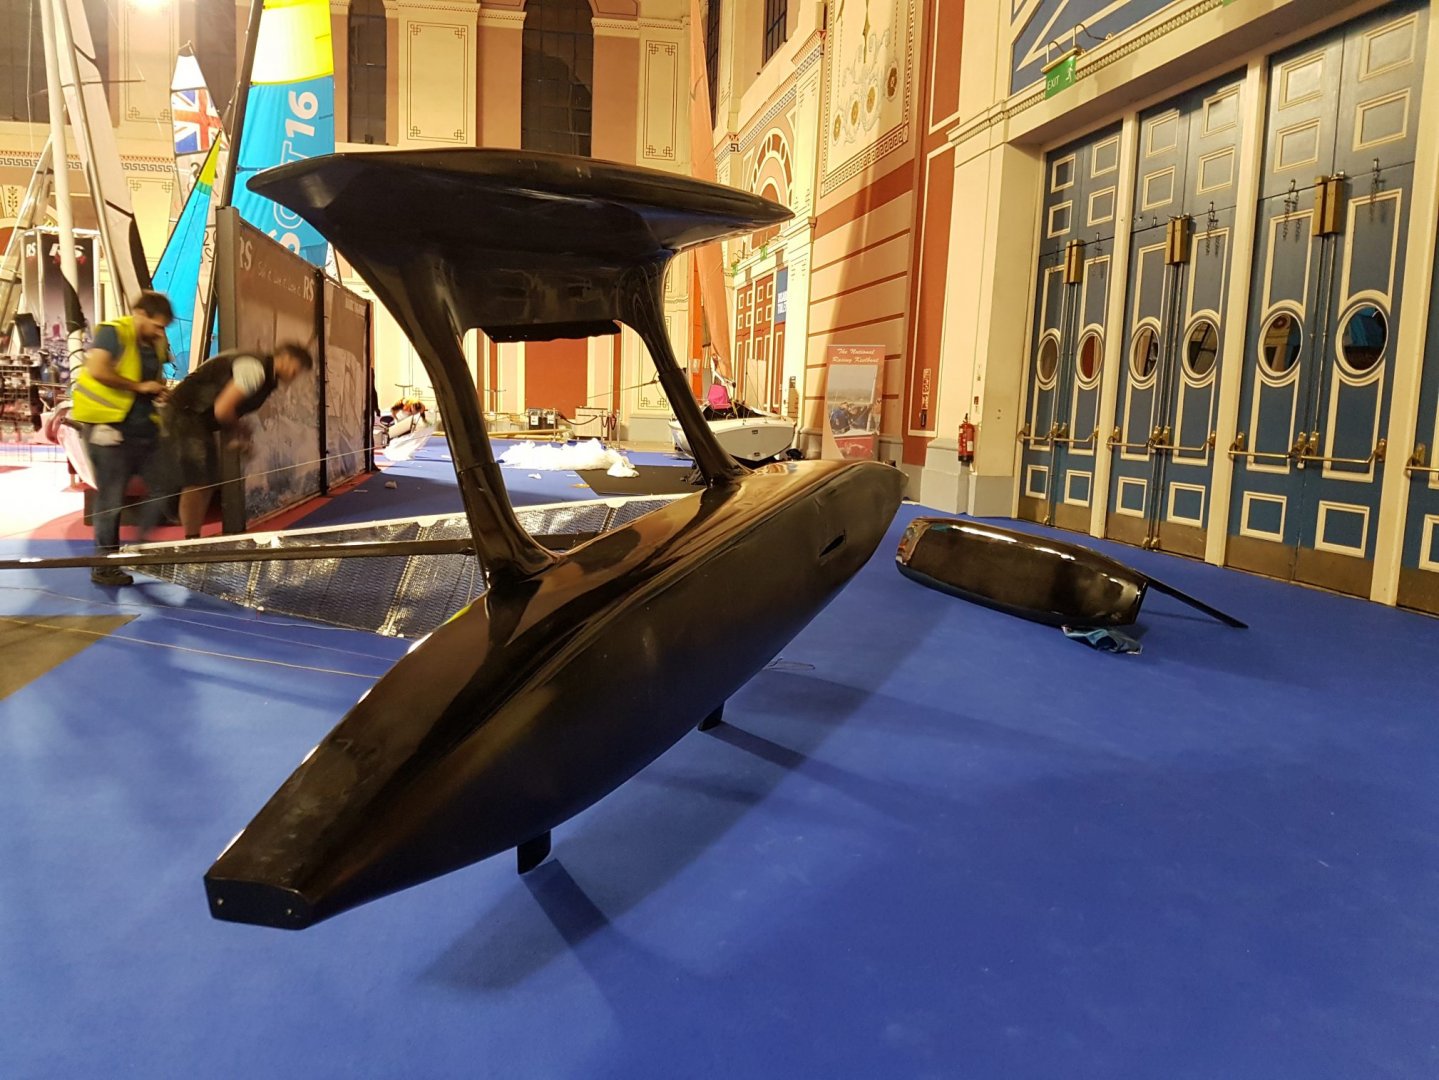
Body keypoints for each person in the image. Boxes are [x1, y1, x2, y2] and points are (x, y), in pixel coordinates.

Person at [70, 290, 174, 586]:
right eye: (157, 325)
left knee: (166, 485)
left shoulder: (155, 344)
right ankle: (105, 567)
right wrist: (139, 387)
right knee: (111, 499)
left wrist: (157, 389)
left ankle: (139, 546)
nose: (160, 332)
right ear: (139, 314)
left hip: (144, 429)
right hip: (108, 428)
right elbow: (98, 370)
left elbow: (152, 378)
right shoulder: (112, 333)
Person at [164, 342, 315, 539]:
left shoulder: (266, 376)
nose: (296, 375)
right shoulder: (255, 370)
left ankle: (193, 536)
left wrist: (240, 432)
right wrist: (238, 433)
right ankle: (190, 539)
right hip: (184, 414)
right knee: (198, 479)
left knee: (207, 479)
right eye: (297, 369)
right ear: (286, 358)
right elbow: (223, 409)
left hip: (196, 417)